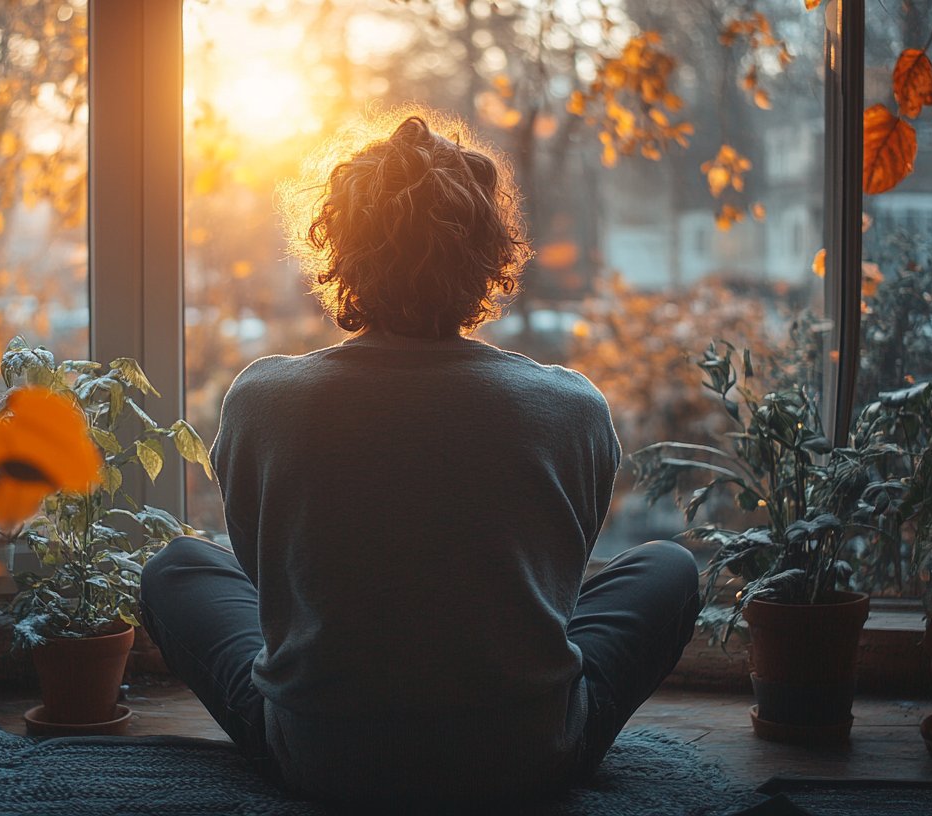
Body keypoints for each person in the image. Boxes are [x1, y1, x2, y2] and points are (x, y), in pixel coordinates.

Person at [139, 112, 700, 807]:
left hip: (323, 759)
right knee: (669, 567)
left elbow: (268, 578)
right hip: (525, 756)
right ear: (490, 255)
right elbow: (560, 576)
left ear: (339, 251)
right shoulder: (571, 407)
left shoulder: (264, 399)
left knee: (176, 567)